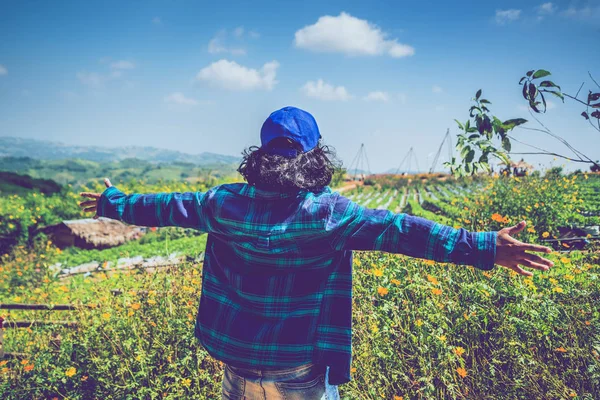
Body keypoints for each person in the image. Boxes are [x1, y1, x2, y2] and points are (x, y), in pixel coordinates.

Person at [79, 106, 554, 400]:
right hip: (299, 372)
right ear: (314, 158)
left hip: (237, 361)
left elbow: (162, 208)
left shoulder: (220, 203)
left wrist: (110, 201)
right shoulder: (330, 215)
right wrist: (488, 247)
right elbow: (408, 232)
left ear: (259, 157)